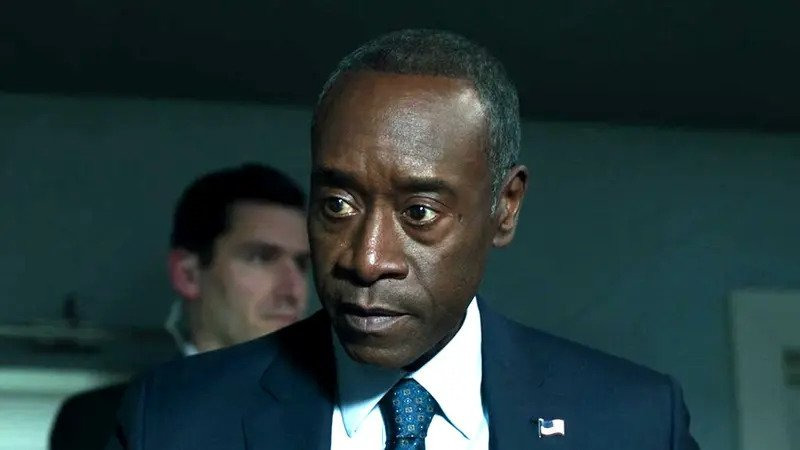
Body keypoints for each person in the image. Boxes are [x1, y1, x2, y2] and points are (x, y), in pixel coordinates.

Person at [107, 30, 699, 450]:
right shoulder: (172, 420)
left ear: (505, 207)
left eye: (419, 212)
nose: (367, 260)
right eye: (338, 205)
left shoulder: (635, 423)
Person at [50, 163, 310, 450]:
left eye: (302, 264)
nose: (293, 290)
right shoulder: (102, 421)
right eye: (260, 257)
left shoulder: (332, 411)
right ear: (187, 275)